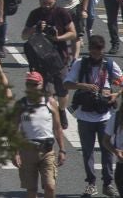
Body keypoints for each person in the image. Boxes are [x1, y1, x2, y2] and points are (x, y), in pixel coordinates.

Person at [65, 34, 122, 195]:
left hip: (105, 116)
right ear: (89, 49)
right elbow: (66, 84)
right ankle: (91, 183)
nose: (96, 53)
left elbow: (122, 81)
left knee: (107, 151)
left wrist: (116, 94)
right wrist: (83, 86)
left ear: (103, 49)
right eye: (93, 50)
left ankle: (108, 184)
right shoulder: (80, 64)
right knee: (88, 151)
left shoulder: (109, 64)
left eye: (99, 50)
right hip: (85, 116)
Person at [15, 70, 65, 198]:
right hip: (27, 152)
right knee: (31, 190)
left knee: (50, 186)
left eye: (35, 84)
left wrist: (62, 150)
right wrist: (14, 152)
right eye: (29, 84)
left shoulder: (50, 103)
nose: (32, 87)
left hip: (47, 151)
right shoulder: (21, 105)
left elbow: (57, 128)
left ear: (41, 85)